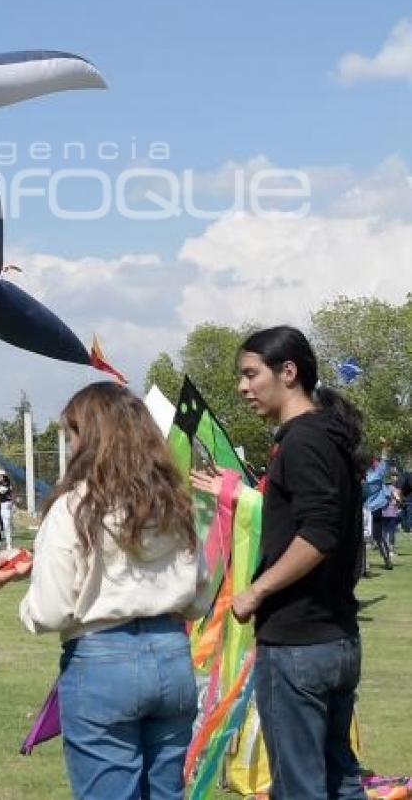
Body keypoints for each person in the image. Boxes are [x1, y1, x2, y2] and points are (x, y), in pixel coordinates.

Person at [20, 382, 210, 800]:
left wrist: (27, 608)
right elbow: (200, 598)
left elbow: (51, 611)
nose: (69, 447)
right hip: (171, 654)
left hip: (102, 659)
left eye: (72, 435)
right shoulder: (175, 505)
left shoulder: (73, 507)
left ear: (89, 439)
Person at [234, 326, 367, 800]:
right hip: (335, 640)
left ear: (288, 372)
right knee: (341, 782)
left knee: (299, 788)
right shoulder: (328, 435)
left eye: (251, 374)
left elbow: (318, 534)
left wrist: (257, 590)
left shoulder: (303, 440)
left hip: (300, 645)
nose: (243, 387)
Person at [0, 469, 14, 549]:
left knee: (6, 525)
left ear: (4, 476)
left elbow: (5, 491)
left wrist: (12, 503)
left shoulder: (7, 485)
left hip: (6, 505)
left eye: (1, 476)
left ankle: (9, 543)